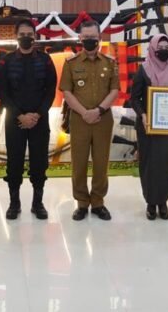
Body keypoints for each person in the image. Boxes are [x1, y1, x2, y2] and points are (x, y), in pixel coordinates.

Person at [0, 19, 58, 220]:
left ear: (35, 36)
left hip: (40, 119)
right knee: (14, 162)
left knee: (39, 162)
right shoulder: (6, 61)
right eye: (22, 34)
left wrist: (37, 114)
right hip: (14, 120)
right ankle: (14, 203)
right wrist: (19, 115)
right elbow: (2, 92)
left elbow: (50, 90)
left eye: (29, 34)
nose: (26, 38)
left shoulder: (45, 60)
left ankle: (37, 203)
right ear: (16, 36)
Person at [59, 20, 120, 221]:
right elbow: (67, 92)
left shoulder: (110, 62)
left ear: (100, 38)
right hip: (79, 119)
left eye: (93, 38)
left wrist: (99, 110)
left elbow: (114, 90)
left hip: (103, 119)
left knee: (101, 162)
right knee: (79, 162)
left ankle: (98, 202)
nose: (90, 41)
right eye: (86, 38)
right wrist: (84, 112)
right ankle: (82, 203)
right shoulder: (71, 63)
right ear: (80, 39)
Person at [130, 34, 168, 220]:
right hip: (148, 126)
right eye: (160, 47)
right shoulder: (144, 69)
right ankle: (150, 202)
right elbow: (134, 98)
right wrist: (143, 114)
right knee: (149, 164)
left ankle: (163, 201)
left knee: (167, 163)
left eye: (167, 47)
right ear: (152, 49)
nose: (164, 51)